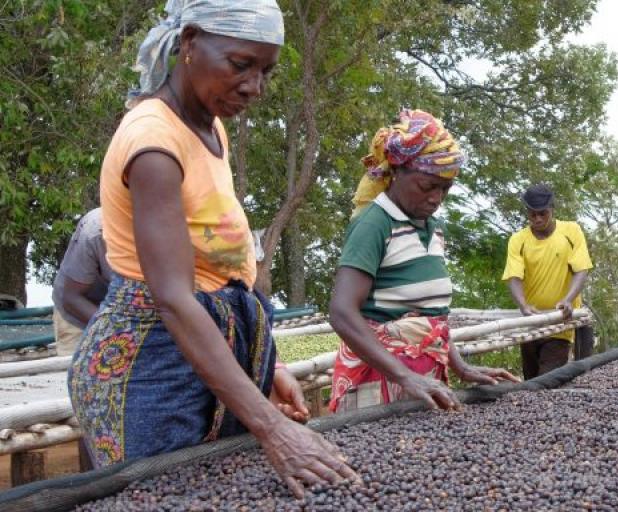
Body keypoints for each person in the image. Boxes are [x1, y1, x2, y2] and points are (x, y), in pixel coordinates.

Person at [67, 1, 355, 499]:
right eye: (241, 64)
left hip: (202, 351)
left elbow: (223, 267)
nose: (254, 87)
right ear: (190, 43)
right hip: (151, 368)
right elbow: (176, 298)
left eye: (265, 71)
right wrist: (271, 427)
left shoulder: (209, 125)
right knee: (168, 496)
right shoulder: (153, 142)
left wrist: (271, 365)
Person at [328, 109, 519, 412]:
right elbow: (341, 312)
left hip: (423, 382)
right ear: (397, 172)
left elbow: (432, 317)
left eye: (445, 189)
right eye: (427, 186)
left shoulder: (434, 229)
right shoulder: (374, 224)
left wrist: (462, 368)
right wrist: (405, 376)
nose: (436, 198)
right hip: (379, 384)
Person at [502, 184, 593, 379]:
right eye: (532, 214)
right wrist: (524, 306)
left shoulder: (571, 231)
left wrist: (568, 300)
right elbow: (513, 277)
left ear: (552, 209)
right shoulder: (518, 240)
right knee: (531, 381)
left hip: (559, 323)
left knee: (546, 380)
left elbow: (581, 269)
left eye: (543, 213)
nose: (538, 219)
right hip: (531, 324)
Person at [52, 208, 114, 356]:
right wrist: (118, 329)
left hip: (123, 314)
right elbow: (71, 298)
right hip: (77, 315)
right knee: (75, 370)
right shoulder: (94, 229)